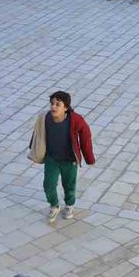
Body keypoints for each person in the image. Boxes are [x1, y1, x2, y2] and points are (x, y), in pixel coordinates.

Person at [28, 91, 95, 224]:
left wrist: (89, 158)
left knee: (69, 185)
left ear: (66, 107)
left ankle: (69, 205)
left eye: (58, 104)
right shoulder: (45, 117)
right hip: (52, 159)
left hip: (69, 161)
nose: (53, 107)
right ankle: (54, 205)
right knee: (48, 184)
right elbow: (38, 134)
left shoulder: (75, 119)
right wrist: (34, 152)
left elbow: (85, 135)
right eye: (52, 104)